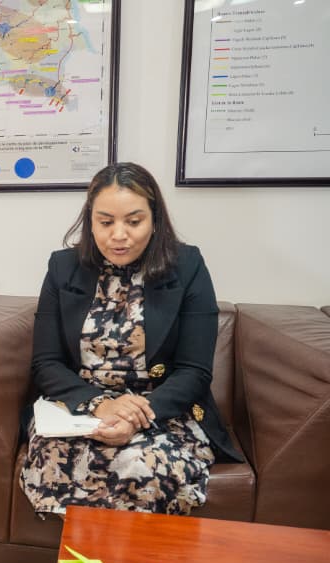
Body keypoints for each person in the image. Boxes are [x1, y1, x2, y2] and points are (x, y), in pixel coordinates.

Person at [20, 162, 243, 517]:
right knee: (59, 461)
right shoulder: (62, 268)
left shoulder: (187, 266)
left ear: (154, 220)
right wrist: (100, 404)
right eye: (106, 222)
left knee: (139, 466)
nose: (118, 235)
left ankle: (121, 556)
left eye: (134, 221)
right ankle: (88, 556)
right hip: (80, 410)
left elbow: (194, 370)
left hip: (162, 413)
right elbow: (46, 363)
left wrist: (135, 416)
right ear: (90, 221)